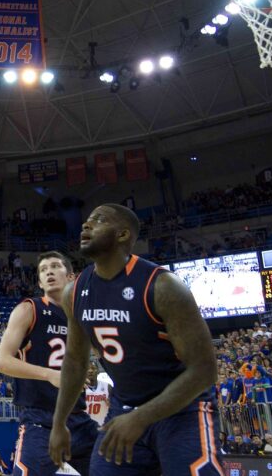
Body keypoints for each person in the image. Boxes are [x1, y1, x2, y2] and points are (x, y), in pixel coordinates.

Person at [50, 203, 222, 475]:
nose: (86, 224)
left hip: (182, 410)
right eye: (87, 220)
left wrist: (142, 418)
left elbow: (204, 370)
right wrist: (59, 423)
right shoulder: (75, 291)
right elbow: (74, 361)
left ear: (122, 235)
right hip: (124, 408)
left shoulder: (163, 286)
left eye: (99, 220)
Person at [0, 251, 97, 475]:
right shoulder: (29, 309)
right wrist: (50, 374)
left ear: (71, 277)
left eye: (55, 266)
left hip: (79, 418)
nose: (49, 271)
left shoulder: (83, 316)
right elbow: (2, 362)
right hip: (40, 420)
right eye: (43, 270)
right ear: (40, 282)